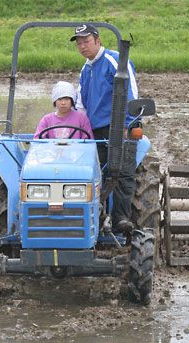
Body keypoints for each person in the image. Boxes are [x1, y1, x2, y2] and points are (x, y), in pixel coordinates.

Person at [70, 24, 138, 233]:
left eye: (86, 41)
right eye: (79, 43)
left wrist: (127, 124)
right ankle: (89, 217)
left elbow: (131, 92)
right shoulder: (86, 68)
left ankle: (120, 218)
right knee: (90, 174)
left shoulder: (114, 60)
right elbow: (81, 102)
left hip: (117, 128)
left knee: (122, 173)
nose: (82, 46)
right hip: (94, 131)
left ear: (98, 41)